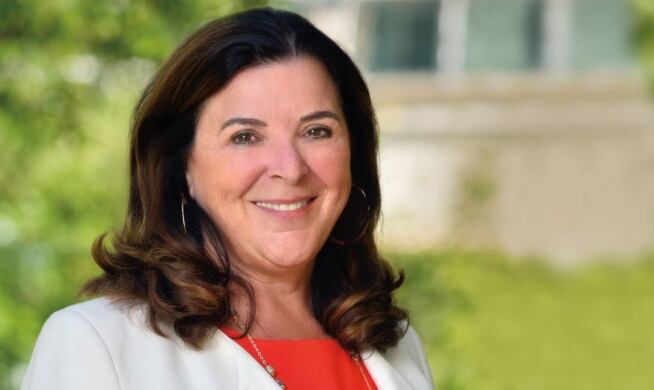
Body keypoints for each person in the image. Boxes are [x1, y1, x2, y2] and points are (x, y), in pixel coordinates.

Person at [21, 7, 433, 390]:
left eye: (316, 131)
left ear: (354, 153)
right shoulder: (97, 344)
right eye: (245, 137)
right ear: (181, 169)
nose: (290, 168)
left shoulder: (397, 344)